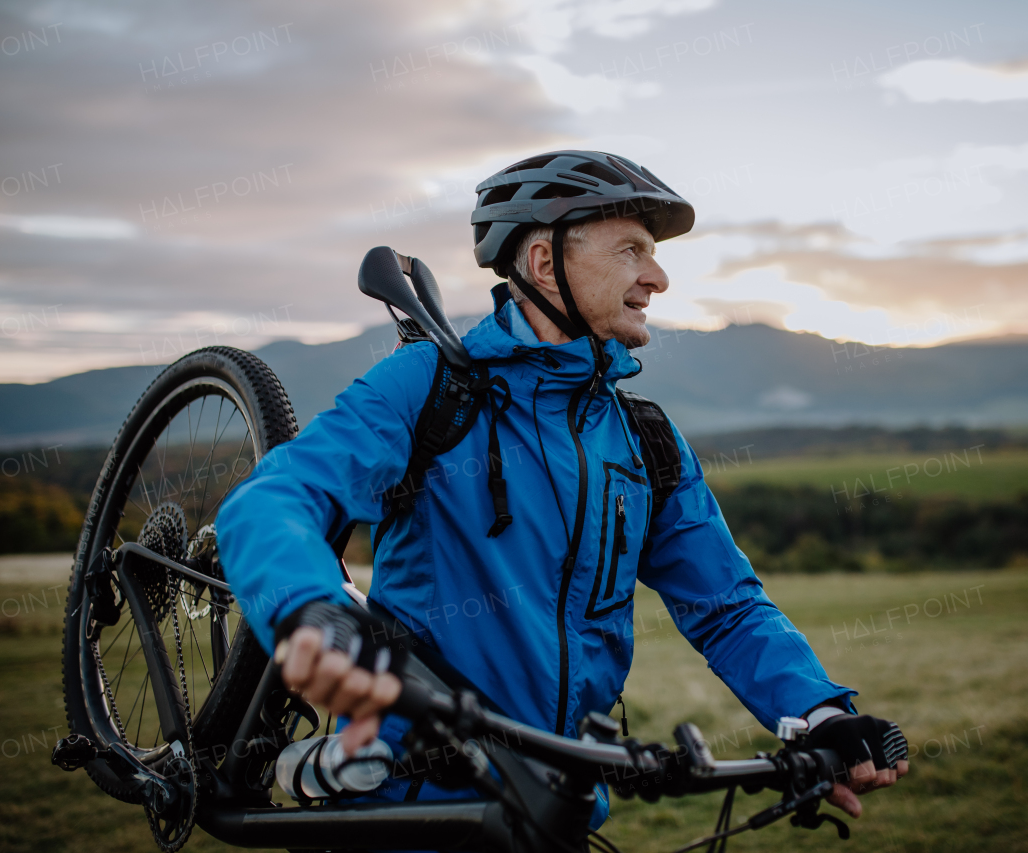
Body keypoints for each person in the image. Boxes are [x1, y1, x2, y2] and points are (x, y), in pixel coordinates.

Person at [216, 150, 908, 836]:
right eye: (631, 250)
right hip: (411, 804)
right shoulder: (429, 387)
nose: (658, 276)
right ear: (545, 264)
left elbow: (725, 603)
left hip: (553, 807)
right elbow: (274, 500)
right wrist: (314, 616)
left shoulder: (645, 439)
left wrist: (821, 713)